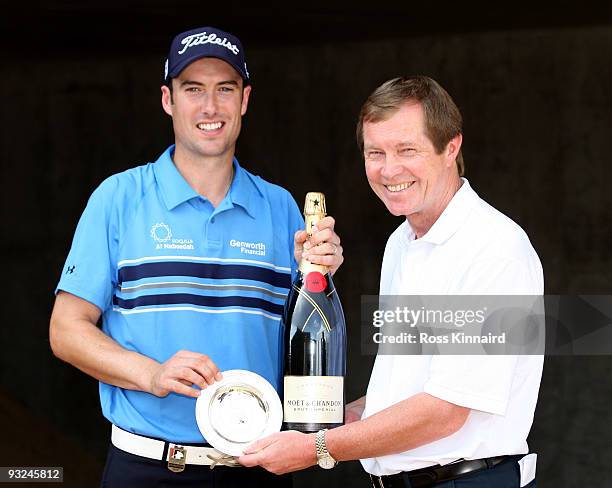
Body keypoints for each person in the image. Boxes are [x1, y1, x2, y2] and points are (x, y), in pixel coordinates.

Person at [49, 26, 343, 488]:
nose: (210, 107)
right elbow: (65, 330)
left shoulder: (281, 207)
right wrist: (152, 374)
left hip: (258, 466)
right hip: (148, 467)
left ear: (244, 100)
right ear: (168, 99)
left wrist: (320, 277)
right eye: (193, 89)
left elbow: (306, 334)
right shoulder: (118, 198)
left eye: (225, 89)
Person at [239, 75, 543, 488]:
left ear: (451, 147)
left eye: (407, 150)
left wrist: (319, 448)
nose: (389, 169)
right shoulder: (402, 243)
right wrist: (335, 418)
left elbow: (446, 410)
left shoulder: (492, 249)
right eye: (375, 152)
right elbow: (407, 388)